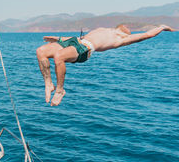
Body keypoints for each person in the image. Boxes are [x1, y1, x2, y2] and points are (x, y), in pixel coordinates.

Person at [36, 24, 175, 106]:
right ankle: (49, 83)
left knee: (59, 57)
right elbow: (80, 38)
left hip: (85, 49)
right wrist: (59, 39)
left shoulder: (123, 38)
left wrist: (162, 27)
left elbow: (147, 34)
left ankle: (60, 90)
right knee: (41, 51)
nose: (127, 26)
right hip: (76, 41)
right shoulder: (104, 29)